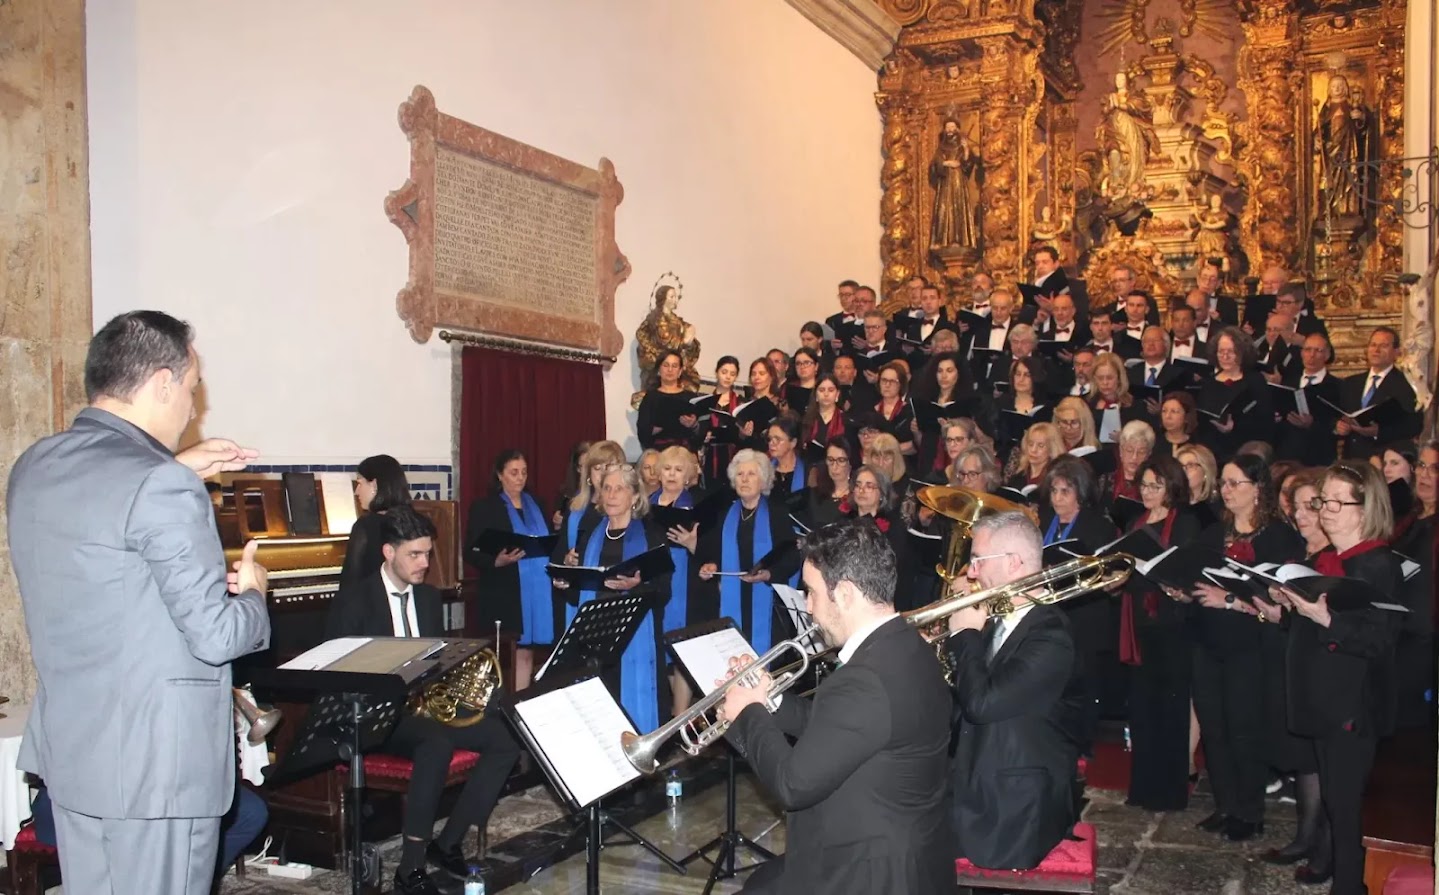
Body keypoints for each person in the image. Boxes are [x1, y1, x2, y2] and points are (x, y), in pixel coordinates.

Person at [6, 310, 271, 895]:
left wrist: (171, 468)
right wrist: (254, 594)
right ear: (161, 383)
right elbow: (218, 637)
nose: (194, 408)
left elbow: (107, 544)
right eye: (192, 389)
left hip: (78, 758)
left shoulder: (35, 466)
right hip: (158, 773)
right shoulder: (162, 486)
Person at [717, 520, 954, 894]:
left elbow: (793, 785)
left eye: (810, 592)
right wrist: (769, 698)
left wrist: (749, 713)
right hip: (903, 853)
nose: (808, 607)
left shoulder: (864, 679)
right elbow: (839, 728)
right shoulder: (906, 644)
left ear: (844, 594)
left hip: (867, 873)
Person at [328, 507, 521, 895]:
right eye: (414, 555)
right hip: (378, 715)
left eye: (428, 554)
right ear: (388, 552)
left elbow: (437, 661)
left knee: (506, 739)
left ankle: (446, 843)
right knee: (435, 743)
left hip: (425, 708)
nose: (425, 563)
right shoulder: (354, 601)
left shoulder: (429, 598)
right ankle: (410, 869)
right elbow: (340, 676)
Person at [1272, 461, 1402, 893]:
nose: (1324, 509)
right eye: (1321, 500)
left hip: (1352, 707)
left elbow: (1379, 641)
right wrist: (1292, 604)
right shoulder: (1329, 558)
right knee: (1332, 800)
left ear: (1364, 509)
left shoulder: (1378, 564)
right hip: (1323, 700)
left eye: (1334, 501)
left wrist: (1325, 619)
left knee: (1346, 811)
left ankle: (1349, 888)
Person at [944, 511, 1088, 869]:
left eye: (977, 560)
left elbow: (982, 703)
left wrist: (965, 637)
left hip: (1012, 810)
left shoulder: (1051, 635)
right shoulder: (997, 617)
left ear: (1013, 564)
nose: (971, 572)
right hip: (974, 788)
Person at [1186, 452, 1304, 842]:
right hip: (1208, 641)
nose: (1226, 490)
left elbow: (1282, 599)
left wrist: (1231, 600)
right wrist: (1183, 591)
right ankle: (1225, 804)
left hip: (1249, 645)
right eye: (1223, 483)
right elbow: (1197, 577)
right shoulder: (1212, 533)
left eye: (1235, 483)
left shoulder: (1278, 537)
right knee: (1215, 728)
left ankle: (1250, 812)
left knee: (1243, 728)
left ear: (1258, 490)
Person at [552, 463, 673, 732]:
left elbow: (664, 591)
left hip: (635, 634)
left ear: (634, 496)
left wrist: (638, 584)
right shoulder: (590, 537)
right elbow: (581, 590)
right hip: (597, 637)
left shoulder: (652, 535)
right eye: (607, 488)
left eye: (620, 488)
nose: (612, 494)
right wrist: (566, 583)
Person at [1122, 454, 1202, 811]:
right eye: (1144, 485)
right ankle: (1142, 788)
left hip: (1172, 624)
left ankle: (1169, 792)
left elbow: (1189, 567)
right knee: (1141, 710)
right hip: (1140, 623)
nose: (1149, 492)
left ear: (1172, 487)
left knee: (1169, 711)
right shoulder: (1136, 521)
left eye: (1156, 485)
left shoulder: (1184, 522)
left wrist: (1173, 581)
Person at [699, 449, 803, 653]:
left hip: (768, 602)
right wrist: (711, 566)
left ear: (763, 480)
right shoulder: (725, 515)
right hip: (732, 598)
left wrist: (770, 574)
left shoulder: (777, 513)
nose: (744, 479)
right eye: (740, 474)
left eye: (751, 474)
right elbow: (713, 554)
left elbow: (792, 556)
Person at [465, 449, 555, 684]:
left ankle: (522, 701)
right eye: (513, 472)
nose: (520, 478)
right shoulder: (485, 507)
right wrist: (496, 560)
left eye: (524, 472)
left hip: (538, 590)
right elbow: (471, 552)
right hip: (504, 591)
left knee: (527, 653)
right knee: (511, 651)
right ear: (499, 475)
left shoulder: (537, 504)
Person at [340, 453, 413, 596]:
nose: (356, 491)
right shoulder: (413, 521)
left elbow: (349, 584)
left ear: (374, 485)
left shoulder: (365, 526)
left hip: (372, 609)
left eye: (360, 483)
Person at [849, 464, 920, 611]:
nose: (861, 490)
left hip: (881, 597)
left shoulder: (894, 527)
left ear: (881, 493)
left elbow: (896, 568)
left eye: (869, 486)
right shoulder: (844, 521)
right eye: (858, 485)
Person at [637, 349, 700, 450]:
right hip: (658, 452)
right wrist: (655, 429)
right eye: (666, 365)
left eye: (674, 366)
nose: (670, 370)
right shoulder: (651, 397)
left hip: (685, 452)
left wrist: (693, 424)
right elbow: (642, 433)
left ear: (680, 371)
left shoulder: (691, 398)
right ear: (659, 370)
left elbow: (700, 435)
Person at [810, 437, 856, 529]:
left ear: (850, 463)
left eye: (841, 460)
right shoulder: (815, 494)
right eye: (830, 460)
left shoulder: (858, 495)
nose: (835, 466)